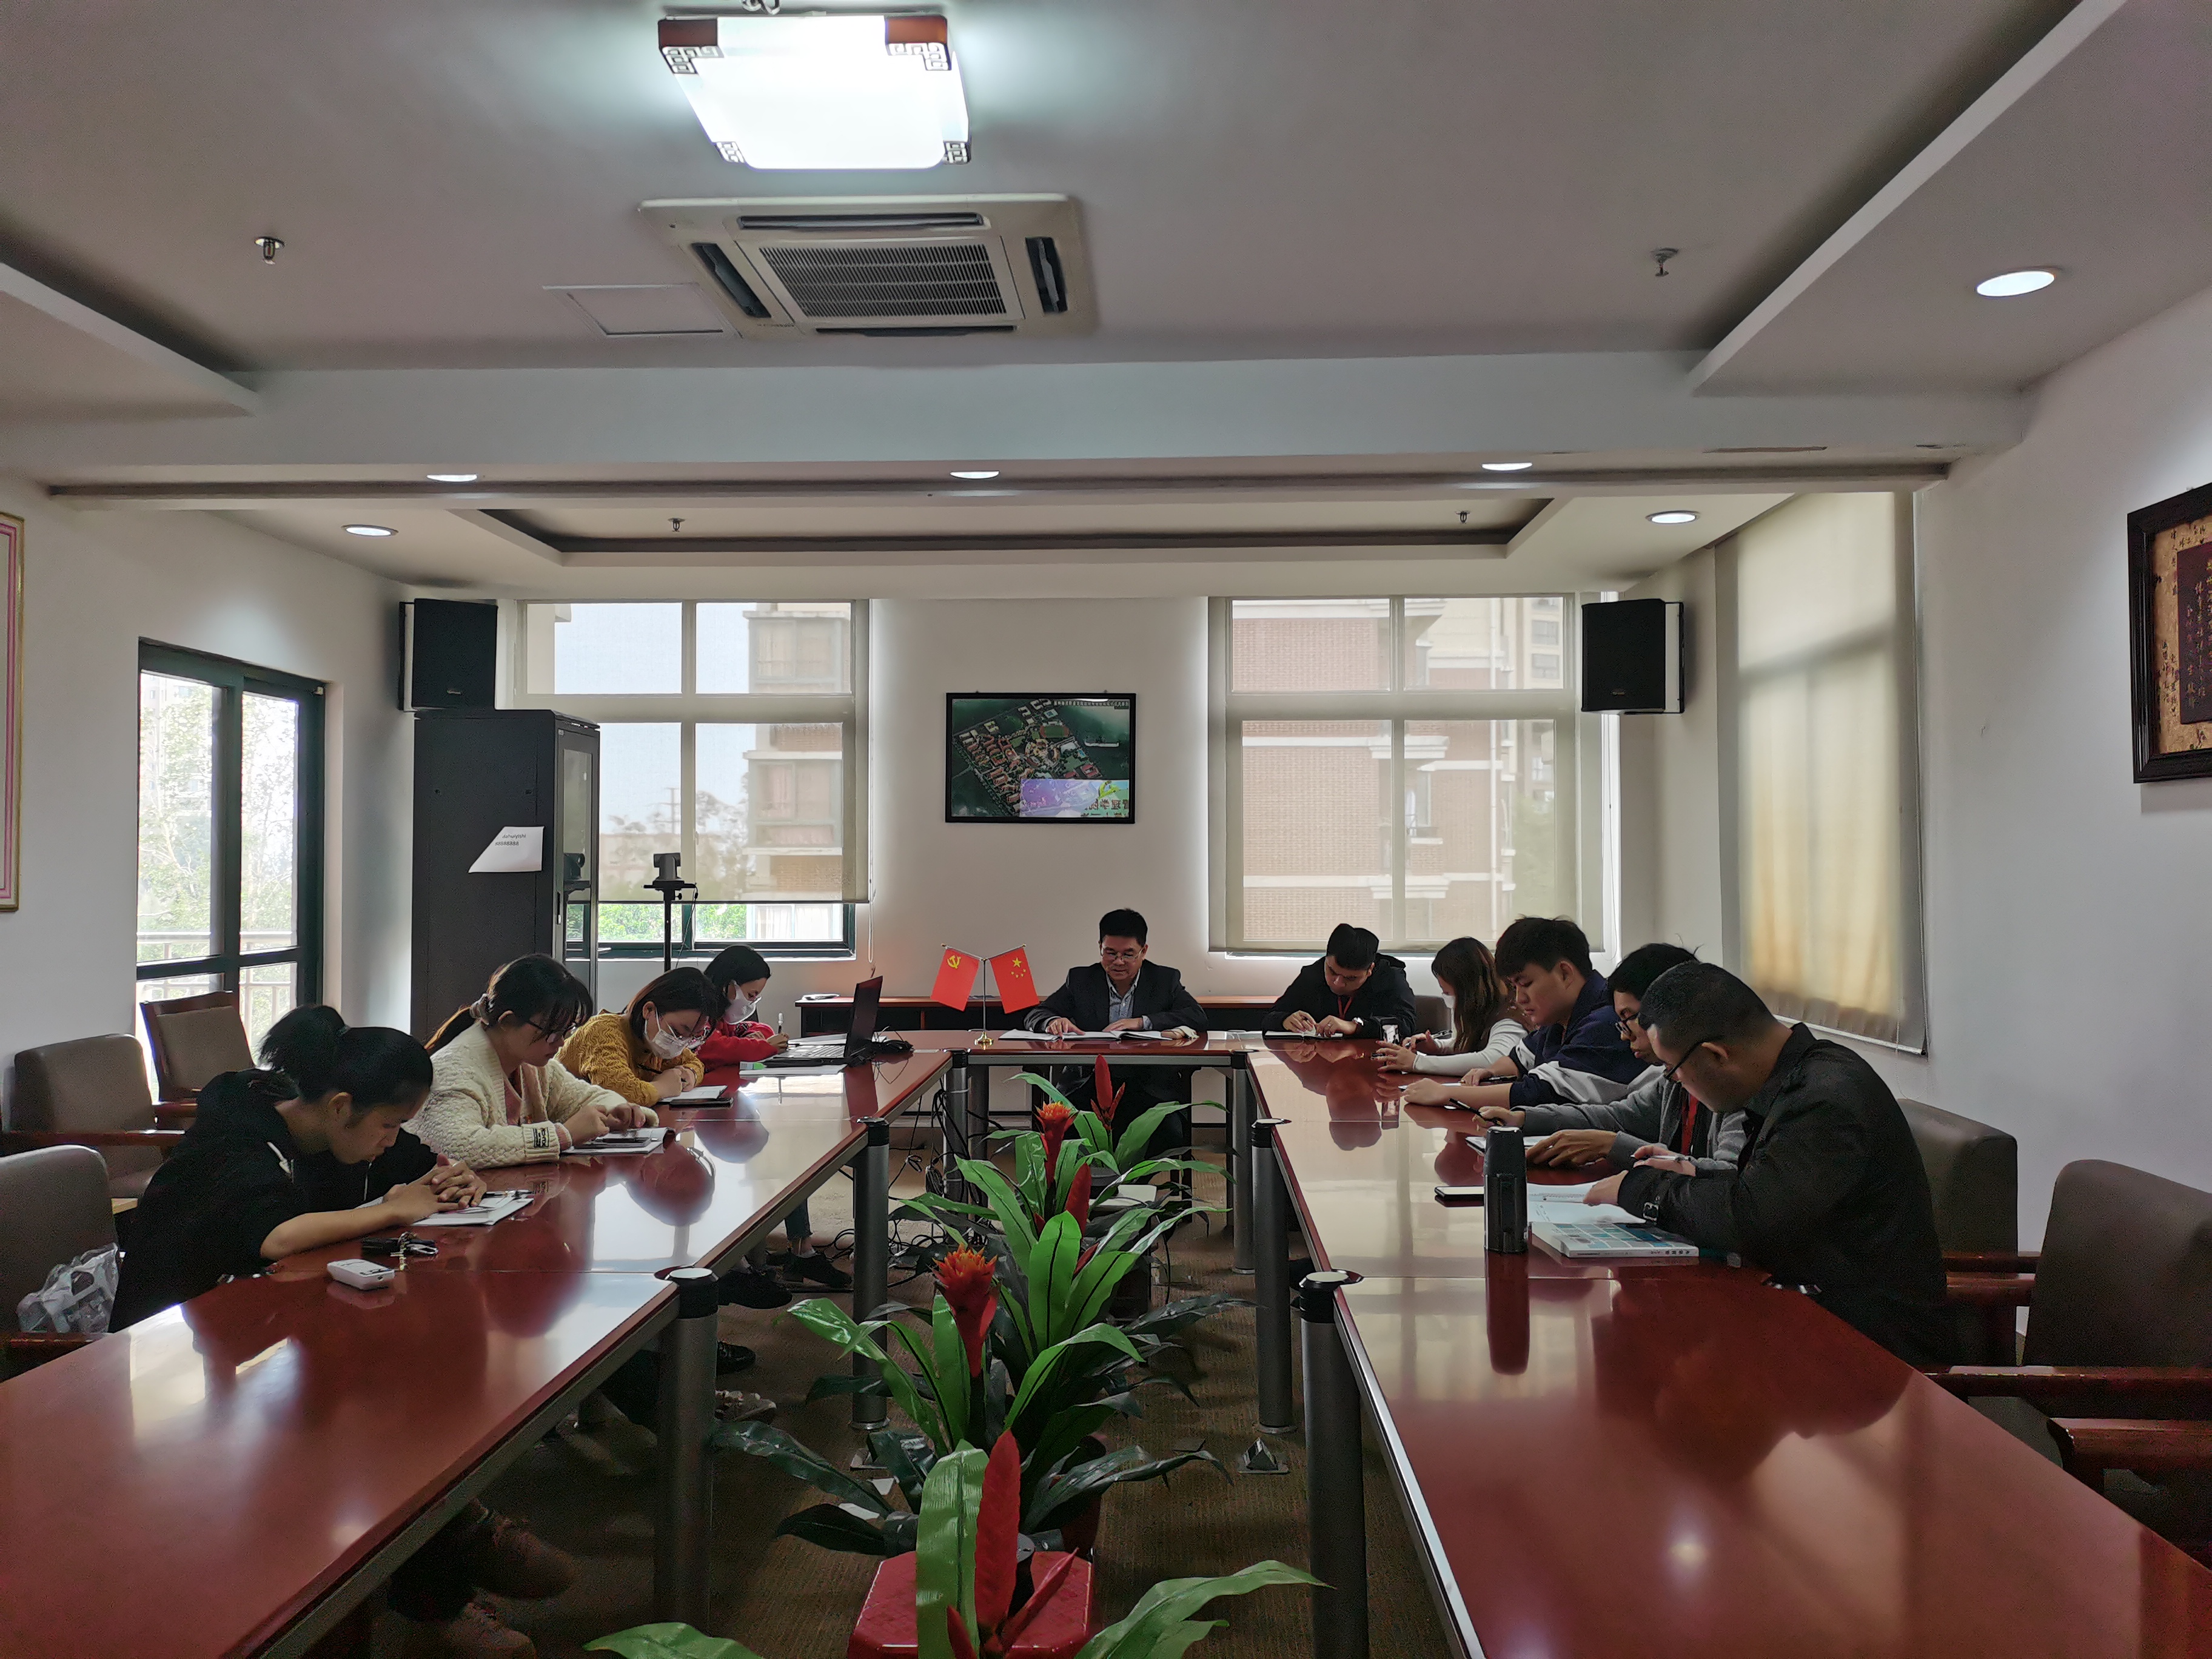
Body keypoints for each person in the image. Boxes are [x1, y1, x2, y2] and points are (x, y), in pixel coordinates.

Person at [112, 1008, 566, 1659]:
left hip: (260, 1329)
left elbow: (407, 1163)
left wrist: (446, 1173)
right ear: (342, 1106)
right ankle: (443, 1572)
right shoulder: (233, 1143)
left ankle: (452, 1538)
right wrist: (392, 1209)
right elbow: (274, 1235)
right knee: (367, 1419)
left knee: (402, 1394)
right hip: (173, 1359)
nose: (392, 1139)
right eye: (388, 1124)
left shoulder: (318, 1127)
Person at [1583, 962, 1953, 1368]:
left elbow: (1753, 1219)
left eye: (1674, 1072)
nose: (1677, 1084)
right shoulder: (1798, 1077)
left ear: (1716, 1055)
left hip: (1867, 1348)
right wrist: (1693, 1171)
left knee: (1662, 1357)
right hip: (1807, 1312)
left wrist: (1638, 1188)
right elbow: (1769, 1191)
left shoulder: (1825, 1100)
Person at [1477, 942, 1746, 1173]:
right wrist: (1525, 1119)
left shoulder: (1737, 1084)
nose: (1623, 1035)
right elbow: (1617, 1117)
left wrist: (1612, 1145)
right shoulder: (1673, 1081)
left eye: (1628, 1018)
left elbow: (1728, 1178)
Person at [697, 945, 851, 1291]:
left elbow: (754, 1029)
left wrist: (760, 1037)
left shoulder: (721, 1013)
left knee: (785, 1149)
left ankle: (800, 1249)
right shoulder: (700, 1010)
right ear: (729, 985)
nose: (752, 1001)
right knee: (780, 1153)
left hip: (721, 1102)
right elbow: (711, 1048)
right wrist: (763, 1046)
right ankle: (784, 1253)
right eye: (750, 994)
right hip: (701, 1116)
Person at [418, 954, 653, 1165]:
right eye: (552, 1033)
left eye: (567, 1032)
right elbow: (460, 1146)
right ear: (507, 1021)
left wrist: (617, 1109)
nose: (561, 1043)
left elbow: (584, 1096)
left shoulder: (532, 1065)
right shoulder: (455, 1070)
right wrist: (563, 1135)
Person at [1402, 915, 1642, 1114]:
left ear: (1565, 974)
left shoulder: (1607, 1021)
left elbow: (1541, 1093)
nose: (1519, 999)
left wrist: (1447, 1094)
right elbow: (1519, 1057)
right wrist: (1492, 1072)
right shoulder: (1559, 1018)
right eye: (1515, 987)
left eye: (1526, 984)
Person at [1028, 908, 1208, 1158]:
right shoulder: (1081, 979)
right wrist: (1053, 1021)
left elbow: (1197, 1016)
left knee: (1164, 1131)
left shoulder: (1163, 980)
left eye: (1128, 954)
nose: (1118, 962)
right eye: (1110, 953)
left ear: (1144, 951)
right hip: (1087, 1085)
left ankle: (1131, 1182)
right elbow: (1038, 1014)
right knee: (1064, 1128)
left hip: (1148, 1087)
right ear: (1100, 948)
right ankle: (1089, 1183)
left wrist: (1142, 1022)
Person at [557, 967, 718, 1106]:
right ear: (649, 1010)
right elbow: (618, 1094)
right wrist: (662, 1088)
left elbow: (694, 1063)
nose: (680, 1043)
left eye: (690, 1038)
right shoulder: (603, 1033)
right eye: (676, 1032)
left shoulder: (652, 1043)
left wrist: (690, 1074)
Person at [1375, 936, 1524, 1076]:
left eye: (1448, 993)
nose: (1447, 998)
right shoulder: (1488, 1010)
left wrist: (1417, 1062)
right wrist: (1438, 1047)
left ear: (1468, 991)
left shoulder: (1510, 1017)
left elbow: (1493, 1059)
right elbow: (1474, 1043)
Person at [1267, 923, 1420, 1040]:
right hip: (1319, 1063)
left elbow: (1406, 1025)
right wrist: (1284, 1020)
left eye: (1351, 978)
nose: (1338, 983)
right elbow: (1270, 1016)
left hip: (1370, 1063)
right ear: (1326, 960)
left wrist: (1356, 1026)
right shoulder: (1313, 973)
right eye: (1332, 972)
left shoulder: (1390, 976)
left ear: (1370, 970)